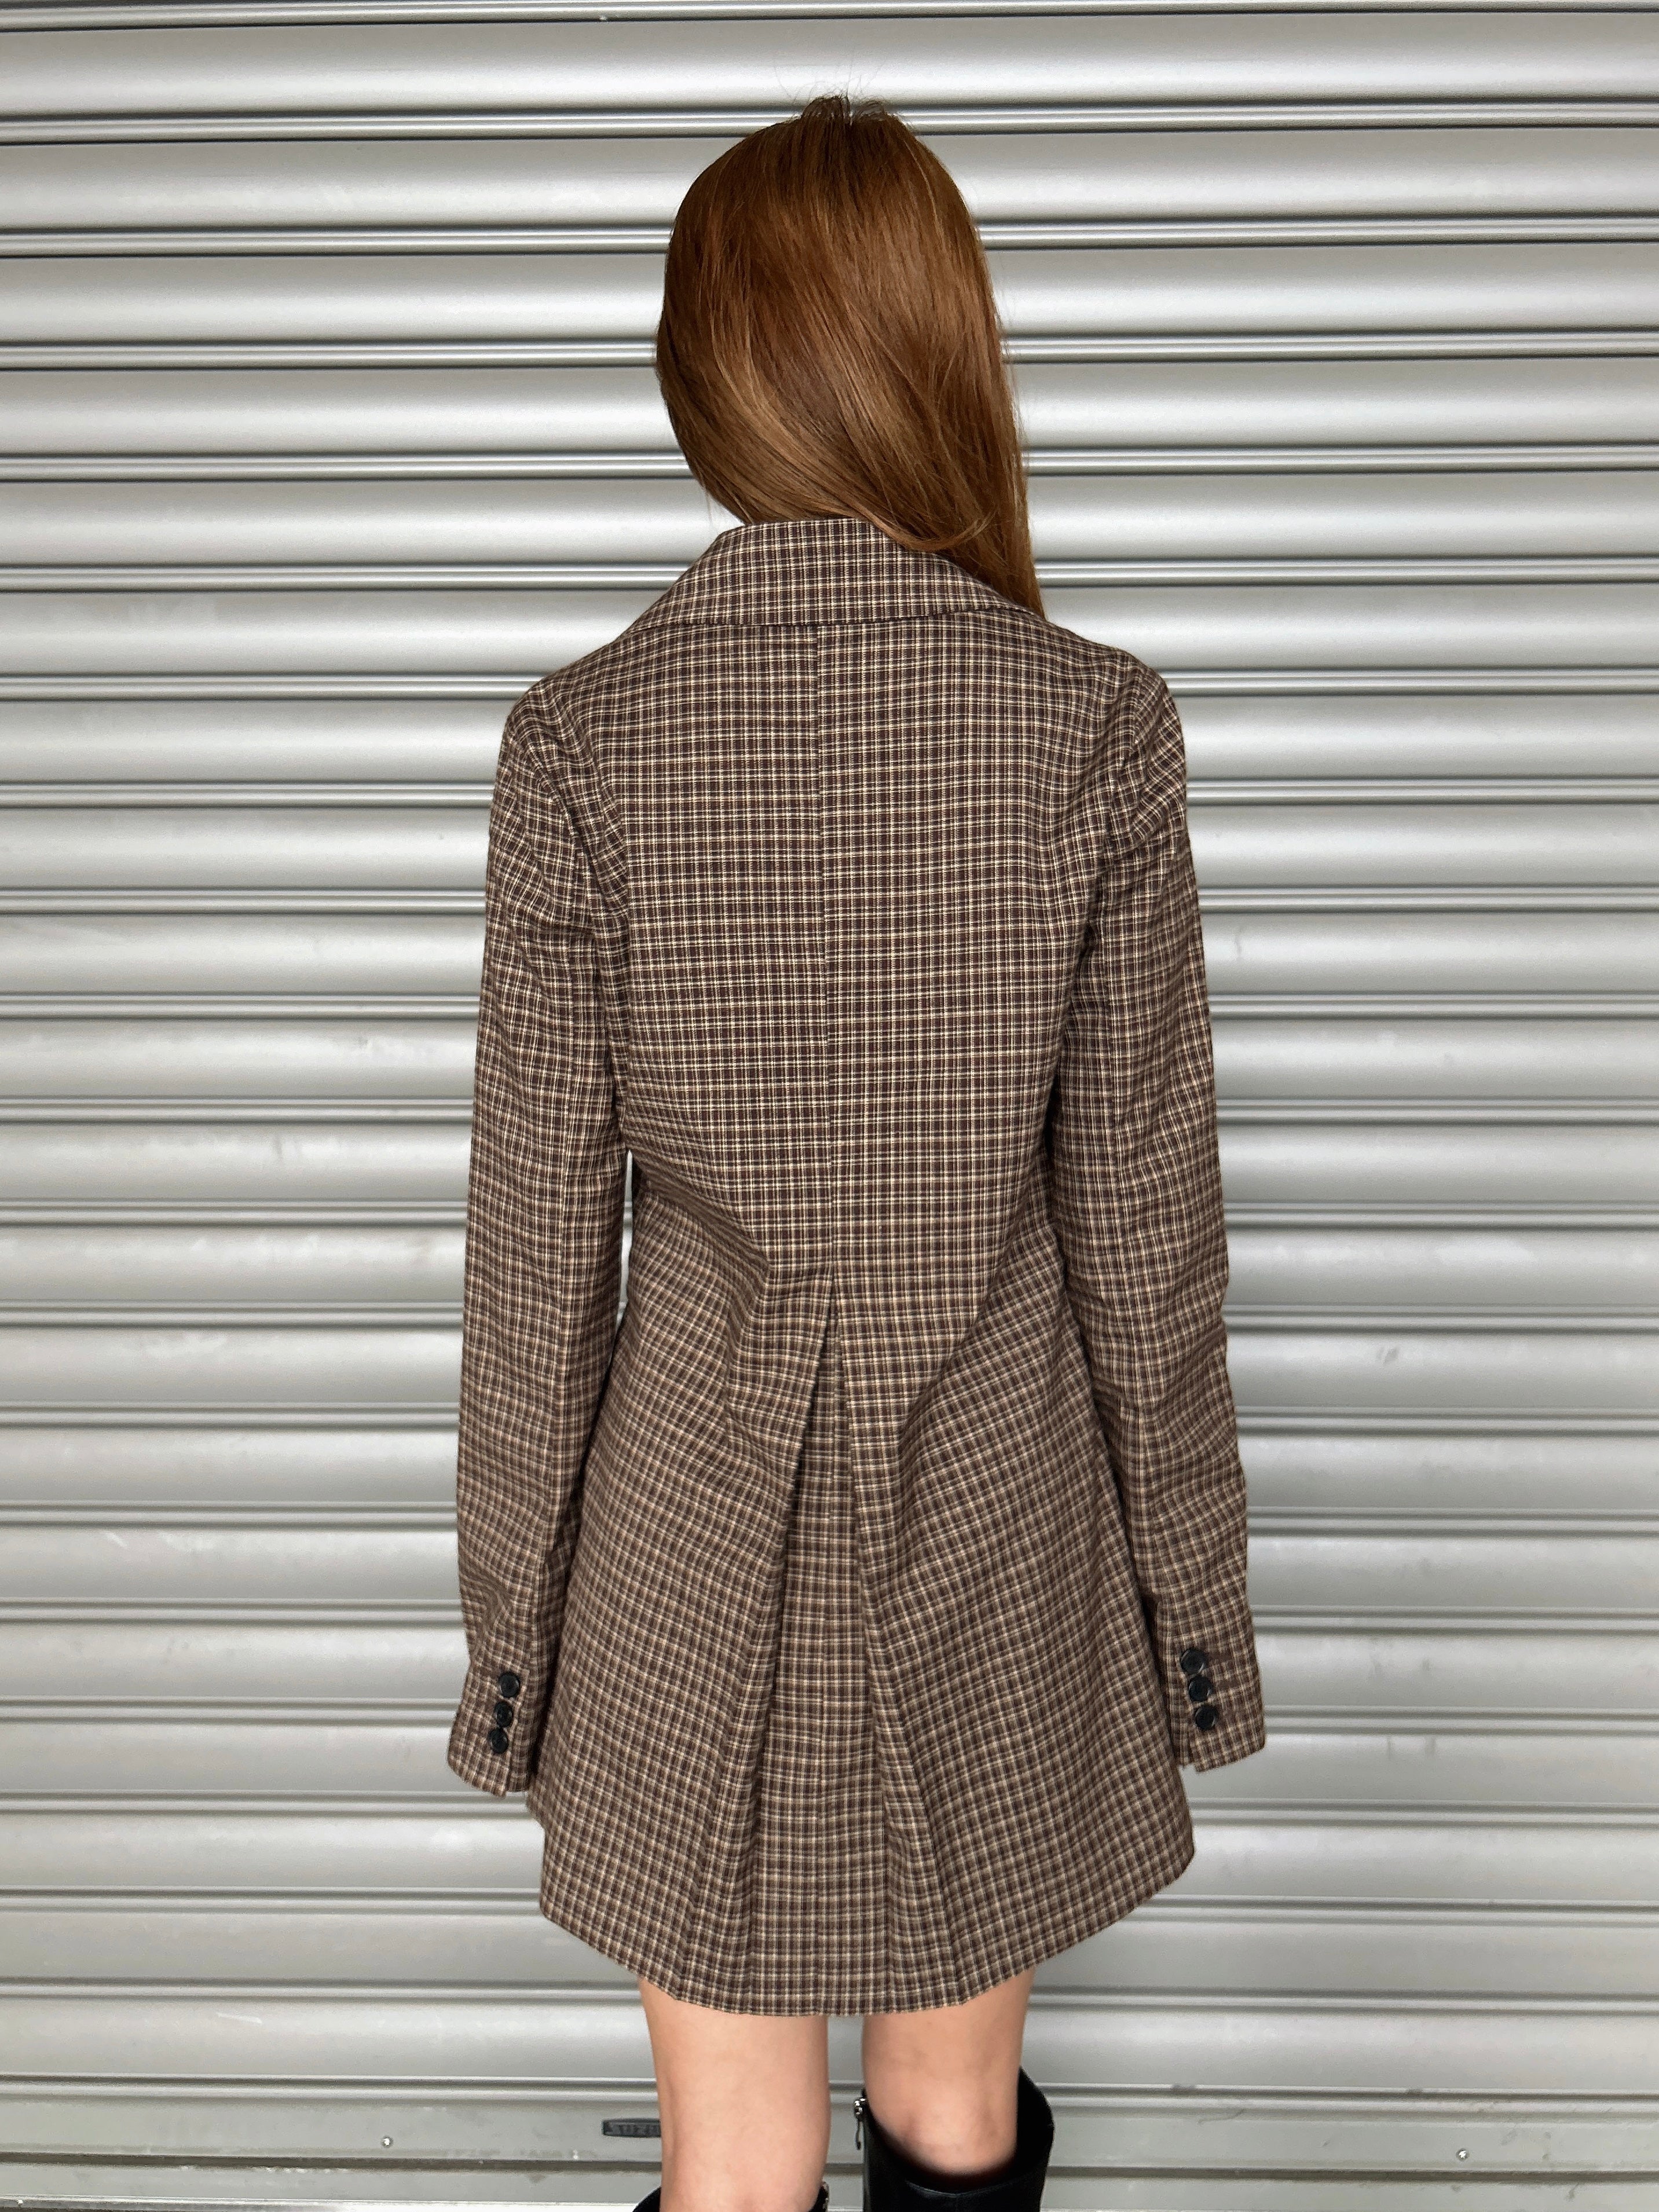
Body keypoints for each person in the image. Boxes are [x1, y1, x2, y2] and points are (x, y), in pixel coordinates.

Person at [444, 91, 1266, 2212]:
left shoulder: (579, 744)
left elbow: (536, 1272)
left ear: (705, 379)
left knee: (733, 2173)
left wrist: (515, 1654)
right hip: (999, 1529)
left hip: (680, 1553)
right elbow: (1147, 1253)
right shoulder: (1094, 725)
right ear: (937, 351)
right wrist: (1193, 1624)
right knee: (954, 2130)